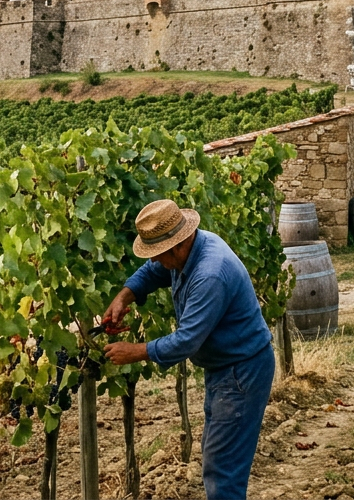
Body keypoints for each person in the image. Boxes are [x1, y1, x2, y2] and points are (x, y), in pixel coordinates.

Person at [102, 199, 275, 500]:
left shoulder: (209, 273)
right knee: (217, 461)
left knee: (223, 473)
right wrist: (124, 297)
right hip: (227, 368)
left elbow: (186, 340)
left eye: (158, 256)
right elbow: (152, 272)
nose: (155, 262)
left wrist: (136, 351)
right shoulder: (191, 249)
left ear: (176, 246)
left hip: (241, 373)